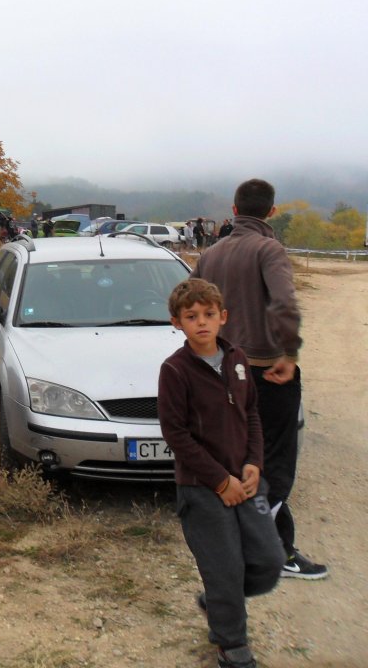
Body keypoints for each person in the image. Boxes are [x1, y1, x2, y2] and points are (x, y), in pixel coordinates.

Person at [192, 178, 328, 581]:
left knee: (238, 458)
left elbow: (189, 302)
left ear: (234, 211)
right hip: (264, 371)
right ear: (272, 211)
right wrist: (289, 353)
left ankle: (270, 548)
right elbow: (284, 303)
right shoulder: (269, 249)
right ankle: (265, 551)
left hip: (219, 369)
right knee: (275, 464)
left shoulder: (211, 254)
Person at [159, 278, 284, 668]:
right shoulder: (175, 370)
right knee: (225, 567)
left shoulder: (238, 359)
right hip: (202, 488)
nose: (201, 322)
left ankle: (218, 600)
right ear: (176, 322)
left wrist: (254, 462)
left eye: (209, 314)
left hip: (245, 481)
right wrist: (218, 481)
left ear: (223, 317)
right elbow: (176, 434)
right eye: (191, 316)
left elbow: (251, 413)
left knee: (270, 560)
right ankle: (231, 644)